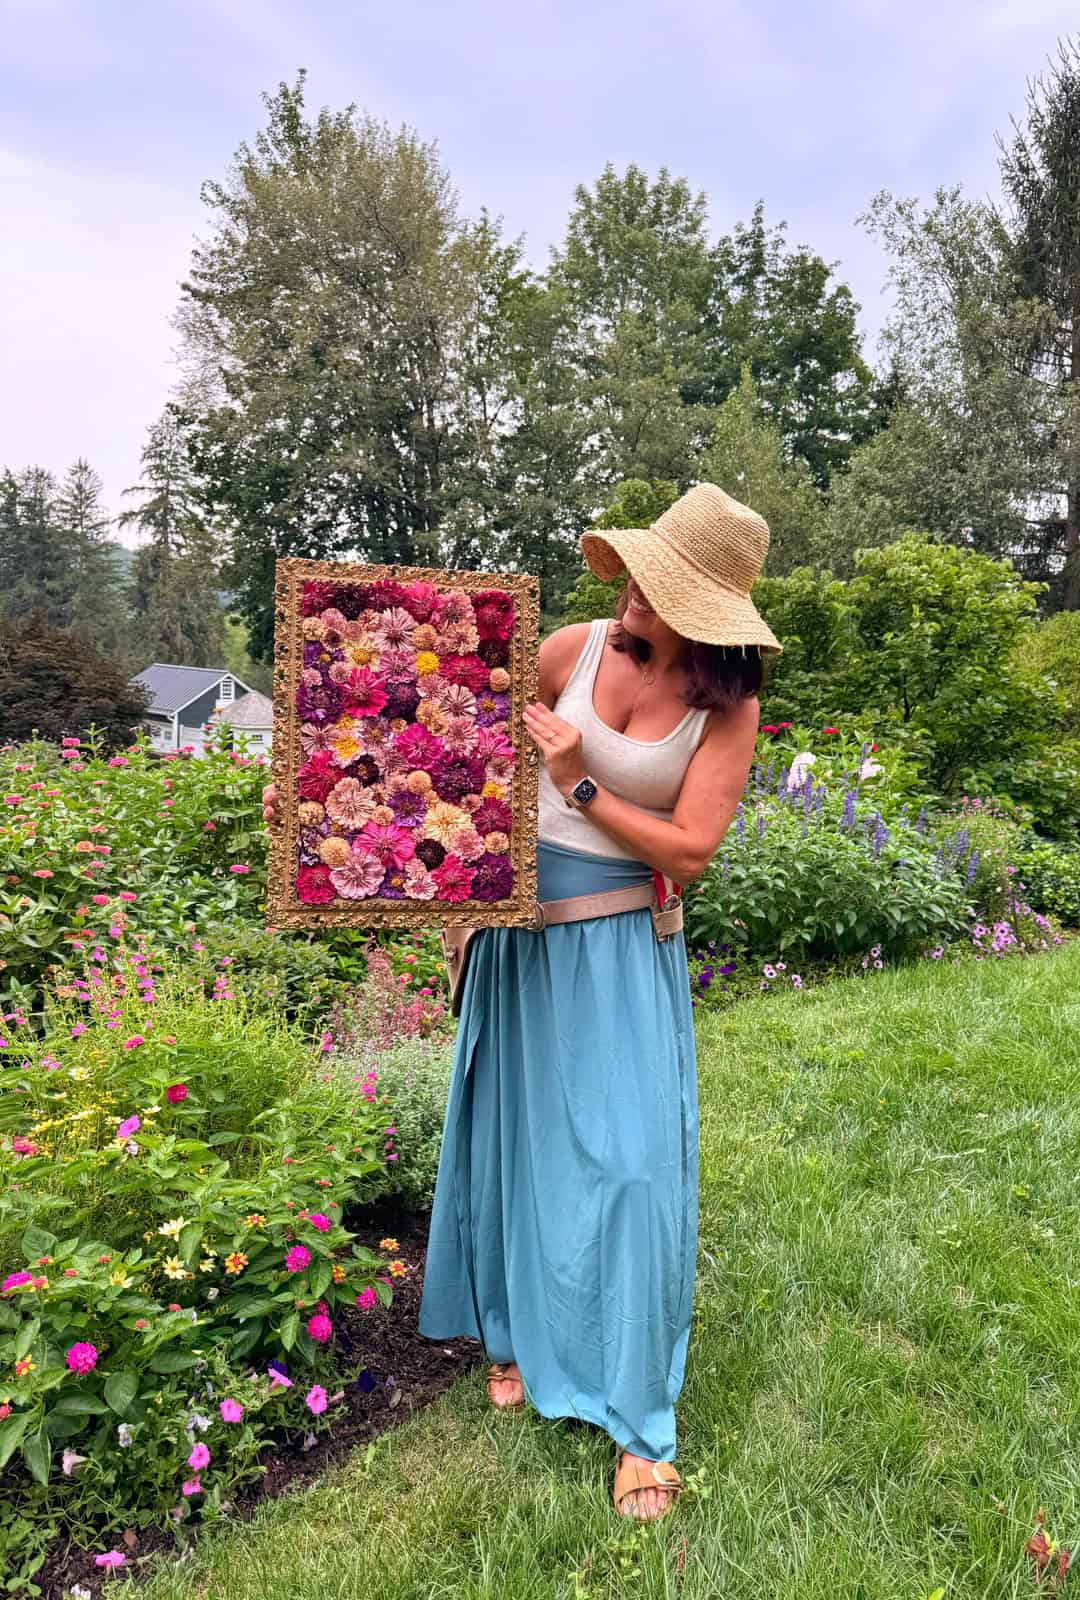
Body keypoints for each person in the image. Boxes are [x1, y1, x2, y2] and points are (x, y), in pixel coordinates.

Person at [265, 483, 779, 1521]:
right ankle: (508, 1336)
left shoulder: (729, 708)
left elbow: (693, 850)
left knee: (631, 1168)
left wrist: (585, 783)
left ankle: (640, 1427)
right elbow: (443, 757)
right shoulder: (569, 650)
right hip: (516, 940)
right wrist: (313, 789)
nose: (630, 589)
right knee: (511, 1139)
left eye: (658, 584)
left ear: (704, 613)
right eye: (636, 569)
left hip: (620, 947)